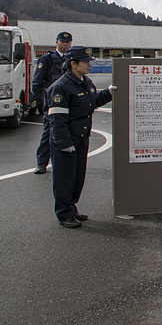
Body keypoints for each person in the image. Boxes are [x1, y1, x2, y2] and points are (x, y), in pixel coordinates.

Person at [47, 46, 114, 228]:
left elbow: (92, 102)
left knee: (77, 176)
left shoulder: (85, 82)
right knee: (64, 178)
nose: (89, 65)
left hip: (81, 137)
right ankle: (63, 213)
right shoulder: (61, 87)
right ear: (73, 64)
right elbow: (57, 120)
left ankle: (71, 207)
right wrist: (64, 143)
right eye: (85, 62)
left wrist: (108, 93)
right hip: (67, 140)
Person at [32, 31, 73, 174]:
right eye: (62, 42)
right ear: (57, 42)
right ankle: (42, 162)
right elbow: (37, 82)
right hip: (53, 102)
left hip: (70, 101)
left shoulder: (73, 59)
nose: (65, 45)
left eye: (67, 42)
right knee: (49, 132)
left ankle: (66, 163)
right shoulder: (47, 59)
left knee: (71, 132)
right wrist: (38, 100)